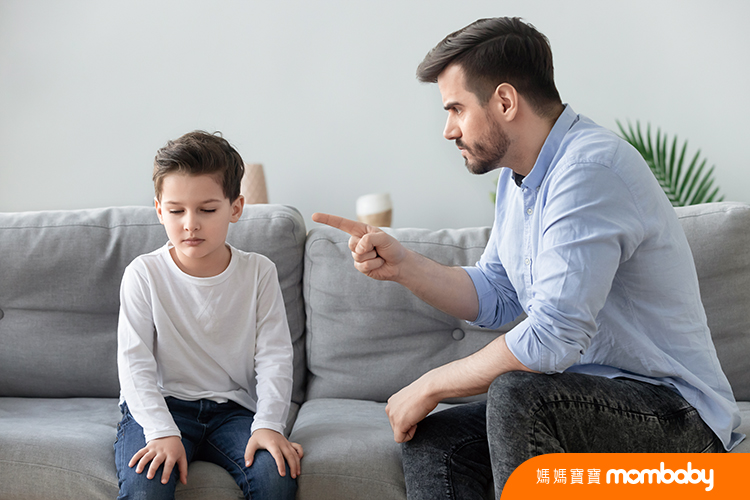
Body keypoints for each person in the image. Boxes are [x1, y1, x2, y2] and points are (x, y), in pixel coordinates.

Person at [313, 16, 743, 499]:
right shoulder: (517, 180)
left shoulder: (589, 169)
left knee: (519, 395)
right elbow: (497, 294)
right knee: (439, 439)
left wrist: (431, 384)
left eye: (456, 109)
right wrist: (404, 266)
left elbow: (551, 338)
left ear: (504, 101)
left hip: (676, 419)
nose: (448, 130)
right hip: (582, 404)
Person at [115, 131, 302, 500]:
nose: (190, 224)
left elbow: (275, 357)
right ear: (159, 210)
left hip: (233, 411)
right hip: (162, 405)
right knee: (145, 486)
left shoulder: (259, 272)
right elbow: (134, 363)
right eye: (176, 211)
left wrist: (268, 424)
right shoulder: (143, 273)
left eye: (207, 209)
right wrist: (161, 430)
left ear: (236, 208)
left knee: (276, 477)